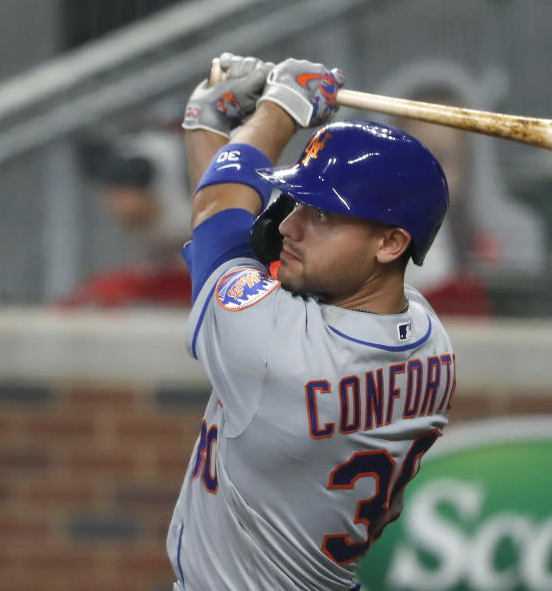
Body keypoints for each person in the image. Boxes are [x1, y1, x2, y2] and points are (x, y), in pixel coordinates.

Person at [167, 53, 455, 590]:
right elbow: (239, 227)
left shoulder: (277, 356)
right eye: (298, 202)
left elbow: (218, 215)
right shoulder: (429, 339)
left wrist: (282, 107)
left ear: (390, 243)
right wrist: (214, 125)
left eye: (322, 214)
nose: (290, 225)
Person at [376, 60, 547, 315]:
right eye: (412, 159)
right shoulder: (371, 247)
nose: (427, 174)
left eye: (442, 159)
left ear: (468, 167)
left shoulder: (490, 248)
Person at [59, 130, 193, 308]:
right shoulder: (145, 218)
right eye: (111, 195)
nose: (115, 206)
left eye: (122, 195)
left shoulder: (190, 184)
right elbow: (153, 270)